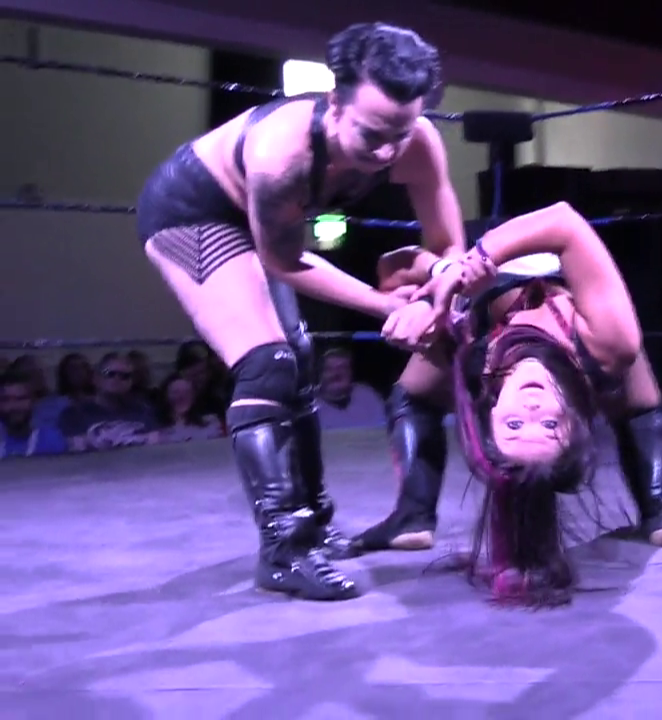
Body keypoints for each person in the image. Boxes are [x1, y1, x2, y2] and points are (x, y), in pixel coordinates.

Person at [134, 22, 464, 602]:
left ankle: (314, 523)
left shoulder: (417, 143)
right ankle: (282, 551)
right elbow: (284, 261)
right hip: (193, 214)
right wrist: (388, 306)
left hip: (266, 225)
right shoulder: (281, 154)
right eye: (371, 134)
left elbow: (449, 246)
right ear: (334, 103)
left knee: (301, 360)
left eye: (401, 132)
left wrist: (436, 299)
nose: (386, 152)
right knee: (268, 364)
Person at [374, 203, 662, 606]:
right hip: (562, 281)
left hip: (483, 285)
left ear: (492, 416)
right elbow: (562, 222)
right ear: (572, 424)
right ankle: (658, 502)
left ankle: (412, 513)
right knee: (622, 352)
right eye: (549, 427)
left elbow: (390, 268)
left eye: (514, 426)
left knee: (413, 392)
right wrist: (469, 266)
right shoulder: (600, 340)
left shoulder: (474, 352)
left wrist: (428, 291)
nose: (532, 410)